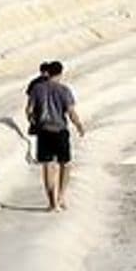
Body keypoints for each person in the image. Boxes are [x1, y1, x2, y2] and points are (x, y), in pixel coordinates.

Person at [26, 61, 85, 211]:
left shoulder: (37, 89)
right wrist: (79, 125)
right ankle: (61, 196)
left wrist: (33, 121)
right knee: (65, 163)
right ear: (59, 73)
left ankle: (52, 202)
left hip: (43, 131)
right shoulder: (64, 90)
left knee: (47, 166)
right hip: (60, 131)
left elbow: (29, 110)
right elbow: (71, 112)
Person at [24, 62, 49, 135]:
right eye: (43, 71)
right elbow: (30, 98)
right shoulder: (35, 83)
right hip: (39, 111)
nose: (44, 73)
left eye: (45, 71)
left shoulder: (34, 82)